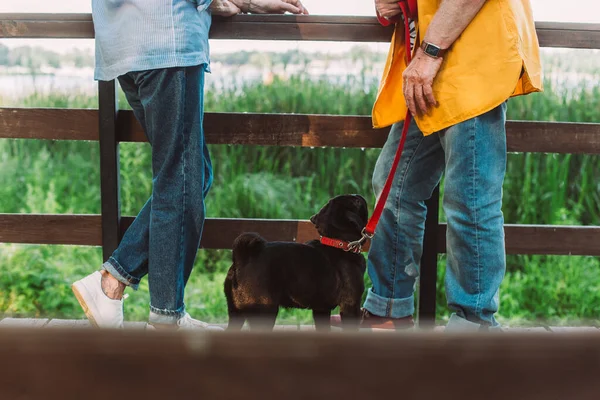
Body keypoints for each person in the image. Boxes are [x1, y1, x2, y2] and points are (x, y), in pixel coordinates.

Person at [72, 0, 308, 330]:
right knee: (179, 182)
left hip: (124, 45)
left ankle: (119, 286)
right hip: (167, 42)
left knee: (191, 177)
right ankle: (160, 313)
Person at [333, 0, 542, 331]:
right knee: (394, 185)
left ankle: (474, 327)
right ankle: (389, 310)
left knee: (470, 197)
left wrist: (429, 51)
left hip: (470, 63)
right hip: (431, 68)